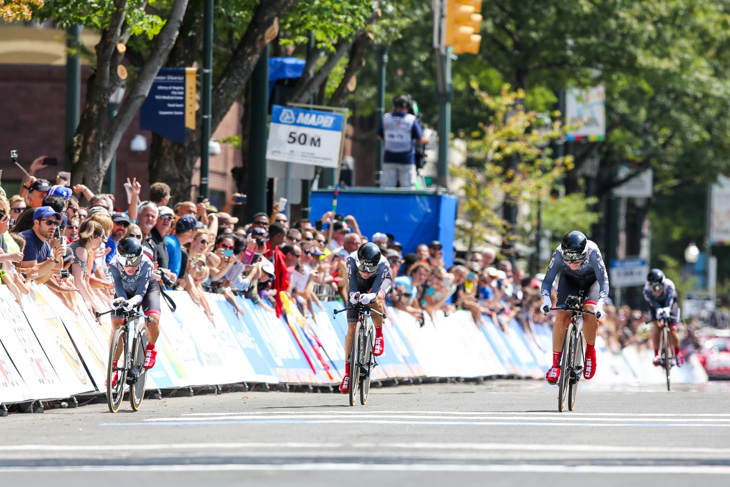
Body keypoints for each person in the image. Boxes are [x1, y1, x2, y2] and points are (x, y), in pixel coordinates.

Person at [540, 230, 609, 384]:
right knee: (562, 315)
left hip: (592, 281)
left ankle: (590, 353)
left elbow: (604, 282)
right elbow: (547, 282)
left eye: (576, 261)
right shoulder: (558, 252)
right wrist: (545, 301)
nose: (572, 264)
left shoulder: (593, 251)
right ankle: (556, 364)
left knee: (589, 312)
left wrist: (600, 305)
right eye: (568, 261)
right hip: (569, 280)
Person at [339, 242, 392, 394]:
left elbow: (375, 291)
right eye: (363, 268)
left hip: (380, 284)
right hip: (359, 285)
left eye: (370, 269)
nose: (367, 272)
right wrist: (354, 295)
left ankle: (379, 335)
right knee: (351, 330)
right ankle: (348, 374)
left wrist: (371, 295)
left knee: (375, 300)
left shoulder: (383, 264)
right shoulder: (350, 259)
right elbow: (353, 285)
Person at [108, 237, 162, 382]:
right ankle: (113, 368)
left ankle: (151, 347)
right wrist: (124, 301)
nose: (130, 267)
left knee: (153, 320)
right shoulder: (113, 264)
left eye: (134, 262)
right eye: (126, 262)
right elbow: (119, 290)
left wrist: (132, 302)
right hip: (124, 291)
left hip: (146, 290)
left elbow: (140, 294)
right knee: (116, 323)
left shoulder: (147, 263)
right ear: (119, 258)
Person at [377, 94, 429, 189]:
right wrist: (428, 138)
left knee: (386, 188)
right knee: (408, 189)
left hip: (389, 158)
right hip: (406, 159)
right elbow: (420, 139)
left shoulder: (386, 118)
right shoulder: (411, 119)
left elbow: (379, 136)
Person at [643, 268, 683, 367]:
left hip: (671, 303)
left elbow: (670, 299)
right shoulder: (646, 290)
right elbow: (652, 302)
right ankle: (656, 354)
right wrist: (658, 309)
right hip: (655, 305)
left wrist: (667, 309)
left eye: (659, 287)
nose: (657, 291)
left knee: (673, 328)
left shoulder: (669, 285)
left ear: (663, 283)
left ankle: (677, 352)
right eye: (654, 288)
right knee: (656, 326)